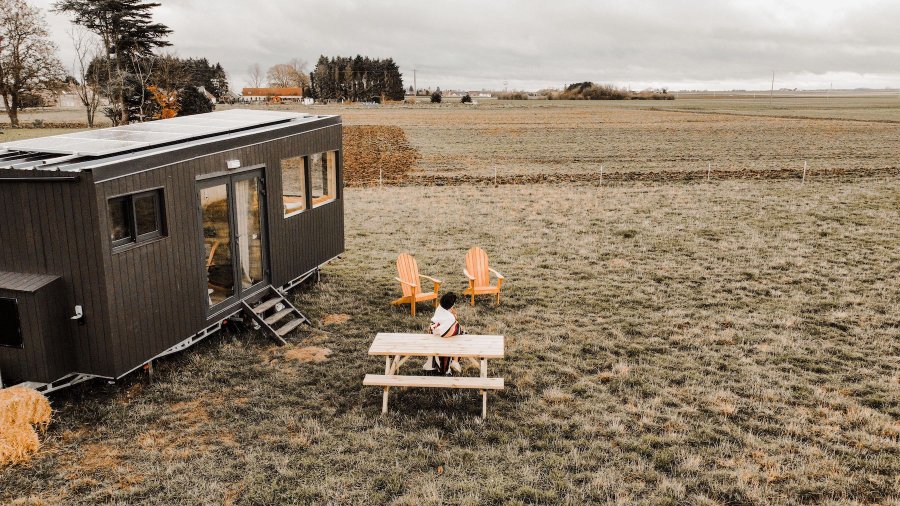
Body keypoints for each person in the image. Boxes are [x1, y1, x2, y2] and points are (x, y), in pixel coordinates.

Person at [422, 292, 463, 374]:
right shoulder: (449, 318)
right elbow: (446, 333)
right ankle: (454, 361)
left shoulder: (439, 308)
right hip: (443, 336)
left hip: (434, 331)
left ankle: (452, 361)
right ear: (451, 305)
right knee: (461, 334)